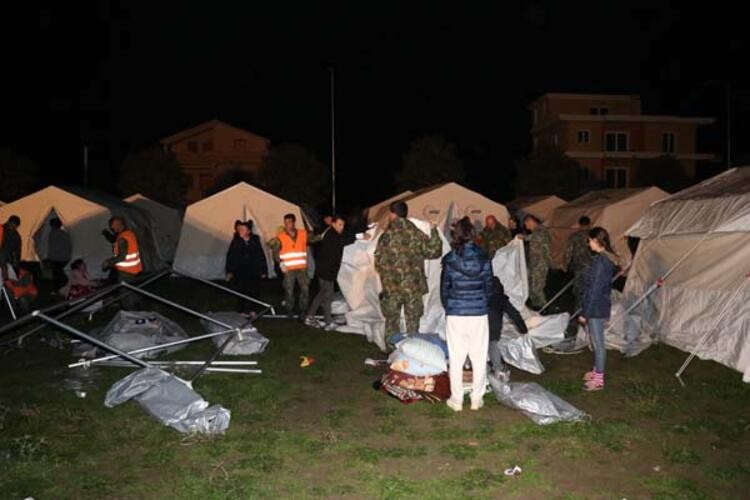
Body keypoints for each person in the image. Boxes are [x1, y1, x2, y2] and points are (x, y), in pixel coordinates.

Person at [440, 217, 494, 412]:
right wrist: (481, 303)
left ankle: (456, 400)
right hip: (478, 312)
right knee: (479, 357)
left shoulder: (450, 259)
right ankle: (476, 399)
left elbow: (444, 288)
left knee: (456, 357)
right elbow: (489, 285)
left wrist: (450, 307)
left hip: (456, 311)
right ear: (472, 234)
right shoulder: (483, 257)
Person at [374, 201, 443, 344]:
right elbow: (434, 252)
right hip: (413, 287)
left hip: (392, 288)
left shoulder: (386, 236)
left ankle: (392, 354)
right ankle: (412, 353)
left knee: (392, 322)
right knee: (413, 322)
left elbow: (378, 262)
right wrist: (434, 231)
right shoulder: (415, 233)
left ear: (393, 214)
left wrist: (387, 277)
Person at [305, 215, 368, 330]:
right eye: (339, 225)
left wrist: (360, 233)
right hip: (326, 270)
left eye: (343, 225)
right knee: (327, 296)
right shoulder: (331, 234)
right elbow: (343, 241)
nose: (342, 227)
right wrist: (360, 236)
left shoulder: (335, 233)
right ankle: (328, 321)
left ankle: (310, 316)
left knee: (322, 294)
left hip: (326, 269)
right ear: (333, 224)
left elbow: (345, 236)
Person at [579, 227, 619, 392]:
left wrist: (585, 313)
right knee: (596, 342)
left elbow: (595, 289)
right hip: (599, 305)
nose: (588, 244)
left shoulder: (602, 262)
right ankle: (596, 371)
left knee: (599, 343)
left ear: (597, 240)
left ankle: (599, 380)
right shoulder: (603, 259)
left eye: (590, 240)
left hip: (596, 307)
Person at [268, 214, 310, 319]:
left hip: (301, 268)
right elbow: (274, 250)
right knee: (289, 291)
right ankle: (289, 310)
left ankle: (303, 311)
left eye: (289, 222)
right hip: (288, 269)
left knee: (305, 289)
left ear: (293, 222)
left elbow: (314, 239)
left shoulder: (303, 234)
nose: (287, 225)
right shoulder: (280, 237)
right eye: (285, 223)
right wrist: (280, 262)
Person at [225, 220, 267, 317]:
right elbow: (230, 256)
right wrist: (229, 271)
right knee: (241, 290)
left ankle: (253, 309)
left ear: (248, 231)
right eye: (240, 229)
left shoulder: (255, 241)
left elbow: (260, 256)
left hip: (253, 270)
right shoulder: (236, 241)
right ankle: (241, 310)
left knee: (254, 290)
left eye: (243, 229)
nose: (241, 231)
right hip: (240, 271)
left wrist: (263, 270)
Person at [487, 277, 528, 374]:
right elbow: (514, 314)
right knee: (493, 344)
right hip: (494, 327)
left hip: (479, 326)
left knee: (477, 348)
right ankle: (498, 368)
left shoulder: (479, 297)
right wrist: (522, 328)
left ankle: (478, 370)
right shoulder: (501, 299)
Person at [102, 217, 142, 309]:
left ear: (118, 224)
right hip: (134, 269)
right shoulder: (129, 234)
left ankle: (129, 312)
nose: (112, 228)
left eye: (112, 225)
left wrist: (108, 262)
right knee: (133, 291)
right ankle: (138, 309)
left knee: (125, 294)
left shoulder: (122, 238)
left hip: (126, 272)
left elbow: (122, 256)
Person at [516, 214, 552, 310]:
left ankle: (544, 307)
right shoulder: (537, 231)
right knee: (532, 287)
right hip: (535, 264)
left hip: (540, 264)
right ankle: (537, 306)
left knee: (537, 288)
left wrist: (524, 237)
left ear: (530, 221)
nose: (527, 227)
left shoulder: (541, 230)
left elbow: (535, 237)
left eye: (526, 225)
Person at [564, 216, 593, 311]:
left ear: (580, 225)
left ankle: (579, 311)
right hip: (593, 267)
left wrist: (566, 265)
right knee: (591, 289)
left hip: (579, 267)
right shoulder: (593, 236)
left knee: (579, 290)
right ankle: (589, 310)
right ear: (589, 224)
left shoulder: (574, 237)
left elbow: (568, 252)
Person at [44, 218, 72, 289]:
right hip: (65, 258)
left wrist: (48, 257)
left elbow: (53, 248)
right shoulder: (64, 234)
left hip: (57, 258)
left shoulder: (53, 234)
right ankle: (56, 286)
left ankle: (52, 286)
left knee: (52, 270)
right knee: (57, 271)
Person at [0, 215, 22, 280]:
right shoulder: (1, 229)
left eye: (15, 227)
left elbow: (17, 249)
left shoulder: (16, 235)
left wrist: (16, 260)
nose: (13, 228)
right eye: (12, 225)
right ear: (8, 222)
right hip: (3, 258)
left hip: (8, 260)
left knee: (11, 276)